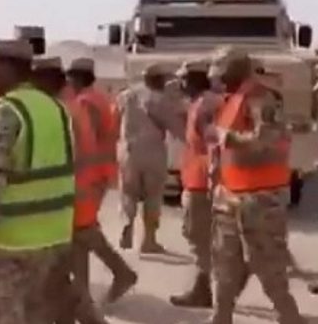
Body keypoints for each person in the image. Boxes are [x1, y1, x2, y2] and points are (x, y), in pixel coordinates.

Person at [0, 39, 75, 324]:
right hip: (53, 240)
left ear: (9, 68)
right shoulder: (56, 109)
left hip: (10, 244)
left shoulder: (6, 112)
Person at [207, 47, 304, 324]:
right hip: (230, 195)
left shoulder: (262, 98)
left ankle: (289, 317)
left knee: (268, 263)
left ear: (238, 70)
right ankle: (220, 317)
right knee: (225, 262)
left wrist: (227, 138)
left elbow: (267, 139)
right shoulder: (231, 100)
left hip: (261, 197)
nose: (219, 80)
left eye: (223, 75)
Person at [31, 56, 109, 324]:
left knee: (60, 273)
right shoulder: (72, 104)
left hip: (69, 198)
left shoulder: (62, 109)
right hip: (79, 193)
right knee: (69, 269)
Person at [65, 57, 137, 304]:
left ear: (76, 78)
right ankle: (82, 291)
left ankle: (121, 272)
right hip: (96, 173)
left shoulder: (85, 103)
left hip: (89, 176)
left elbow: (87, 141)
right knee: (79, 231)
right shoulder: (97, 98)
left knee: (81, 229)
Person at [114, 64, 185, 253]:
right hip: (153, 151)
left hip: (128, 150)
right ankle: (149, 240)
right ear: (159, 80)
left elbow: (114, 118)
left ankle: (127, 223)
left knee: (128, 192)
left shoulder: (126, 95)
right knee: (153, 196)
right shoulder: (160, 100)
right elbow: (176, 128)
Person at [167, 59, 221, 308]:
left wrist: (211, 180)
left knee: (198, 237)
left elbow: (214, 145)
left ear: (195, 80)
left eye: (184, 80)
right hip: (199, 180)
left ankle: (204, 290)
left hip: (201, 184)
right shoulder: (203, 103)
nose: (181, 84)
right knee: (203, 237)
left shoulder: (204, 107)